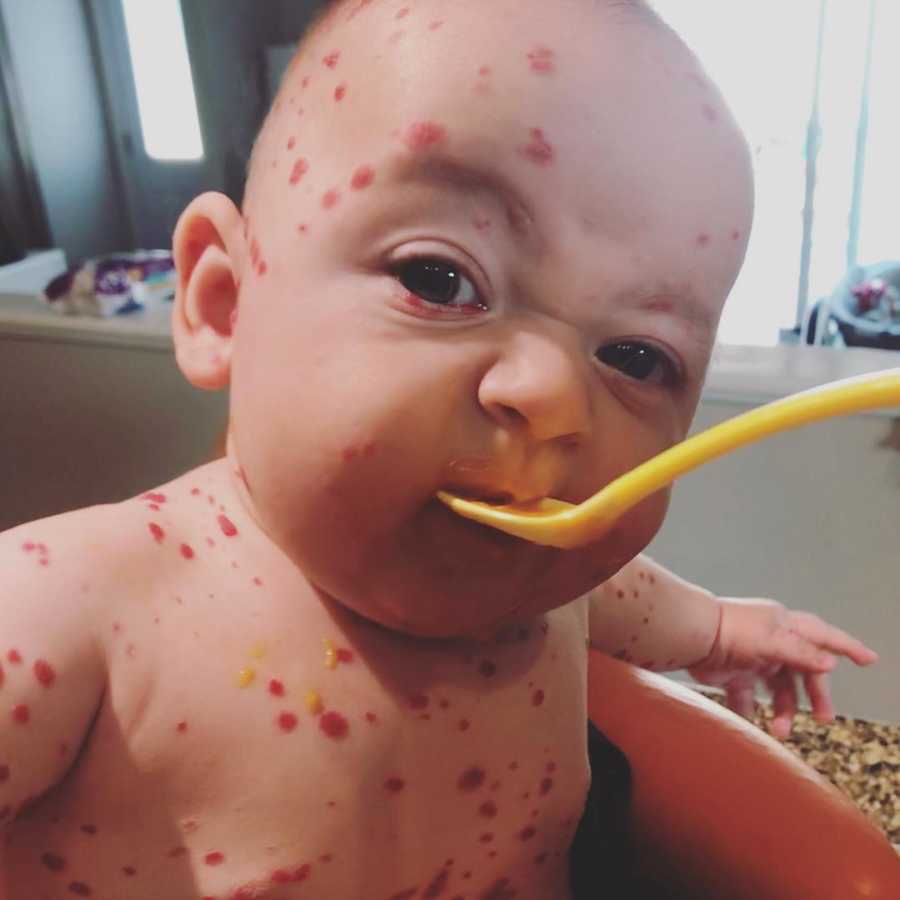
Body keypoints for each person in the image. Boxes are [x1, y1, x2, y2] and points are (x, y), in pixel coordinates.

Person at [1, 0, 896, 897]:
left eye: (636, 355)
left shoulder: (554, 593)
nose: (550, 399)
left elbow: (633, 596)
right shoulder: (71, 614)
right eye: (440, 278)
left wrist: (729, 630)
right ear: (225, 302)